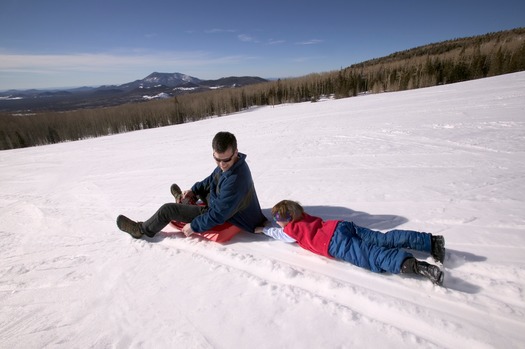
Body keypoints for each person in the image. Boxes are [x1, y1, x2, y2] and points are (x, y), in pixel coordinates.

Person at [255, 200, 445, 285]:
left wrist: (264, 229)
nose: (276, 220)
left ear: (288, 219)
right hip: (340, 227)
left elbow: (281, 235)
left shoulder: (291, 230)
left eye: (278, 217)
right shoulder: (303, 216)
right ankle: (431, 241)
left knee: (373, 256)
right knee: (383, 238)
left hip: (335, 243)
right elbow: (284, 224)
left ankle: (418, 267)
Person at [117, 131, 267, 239]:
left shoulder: (236, 179)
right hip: (224, 204)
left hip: (230, 216)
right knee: (204, 189)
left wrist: (194, 226)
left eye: (225, 160)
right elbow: (211, 179)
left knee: (167, 210)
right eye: (217, 159)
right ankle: (186, 199)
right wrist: (193, 191)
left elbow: (219, 215)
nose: (222, 164)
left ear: (236, 152)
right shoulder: (231, 164)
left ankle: (141, 230)